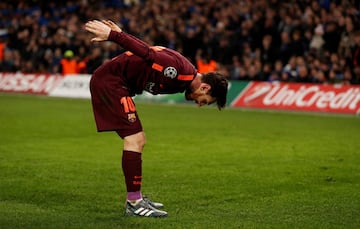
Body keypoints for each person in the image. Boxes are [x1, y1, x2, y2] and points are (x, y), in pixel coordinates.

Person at [84, 20, 228, 218]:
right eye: (205, 101)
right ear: (205, 88)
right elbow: (147, 53)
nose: (199, 104)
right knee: (135, 139)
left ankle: (135, 198)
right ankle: (134, 203)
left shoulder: (183, 76)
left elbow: (149, 53)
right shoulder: (179, 72)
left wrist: (122, 33)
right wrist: (114, 36)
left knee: (137, 139)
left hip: (117, 84)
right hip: (111, 83)